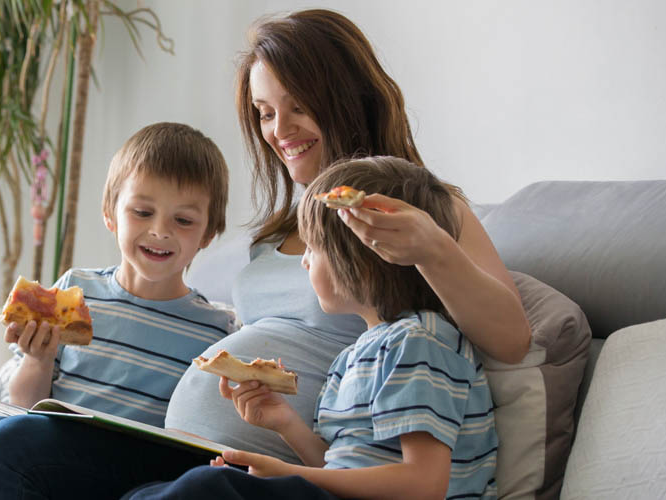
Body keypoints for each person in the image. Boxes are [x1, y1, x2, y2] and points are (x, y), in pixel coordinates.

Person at [0, 8, 530, 499]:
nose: (279, 130)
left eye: (298, 106)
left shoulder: (417, 211)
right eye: (264, 112)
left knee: (17, 448)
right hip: (198, 446)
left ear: (347, 98)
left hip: (256, 472)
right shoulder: (271, 235)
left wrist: (432, 246)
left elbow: (510, 337)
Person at [0, 122, 237, 496]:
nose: (160, 230)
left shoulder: (215, 332)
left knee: (8, 440)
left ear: (208, 233)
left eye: (184, 220)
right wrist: (36, 360)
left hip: (130, 468)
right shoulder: (77, 293)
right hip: (50, 449)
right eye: (142, 212)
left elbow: (206, 436)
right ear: (110, 214)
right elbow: (25, 405)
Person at [124, 156, 498, 499]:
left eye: (313, 249)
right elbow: (338, 467)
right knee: (147, 493)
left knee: (206, 488)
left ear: (363, 259)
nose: (303, 262)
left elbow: (424, 485)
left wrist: (286, 474)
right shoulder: (355, 355)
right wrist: (285, 423)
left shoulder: (417, 342)